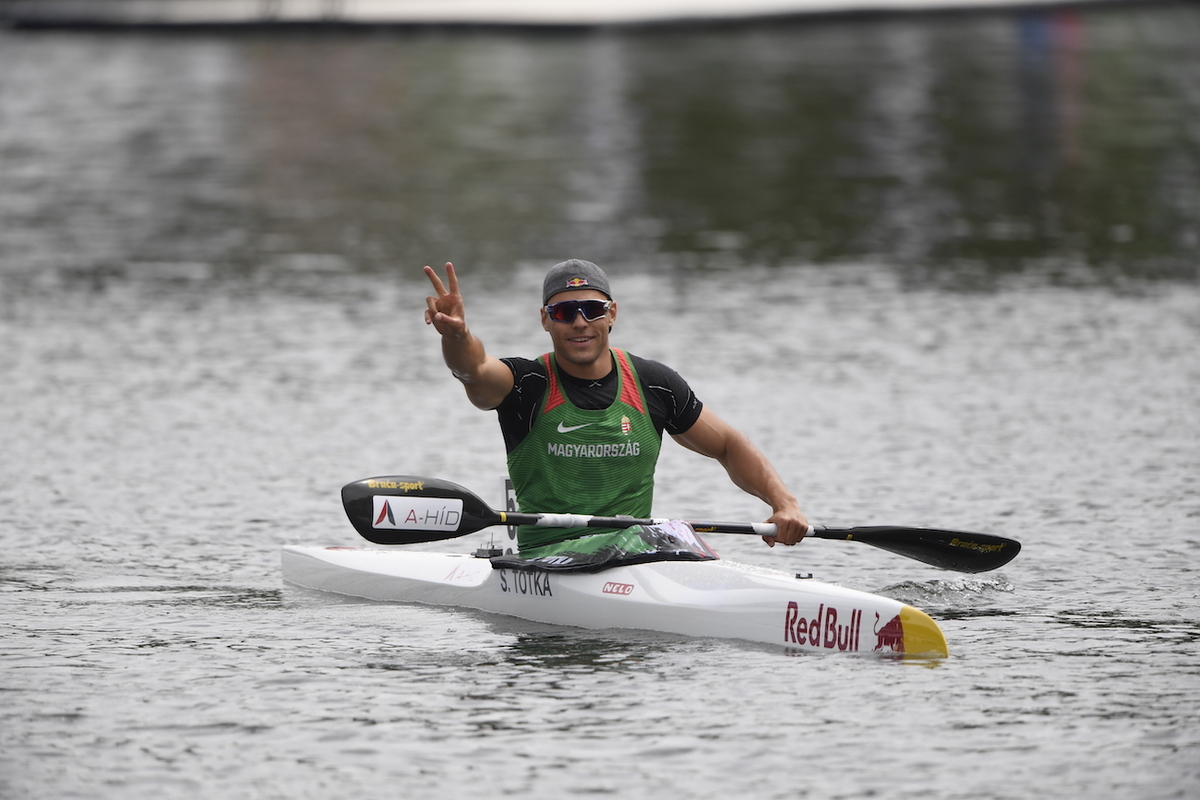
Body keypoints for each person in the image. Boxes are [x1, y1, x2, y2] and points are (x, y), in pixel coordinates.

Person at [423, 258, 809, 554]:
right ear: (545, 320)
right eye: (563, 312)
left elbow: (728, 444)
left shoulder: (654, 383)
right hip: (549, 558)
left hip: (635, 553)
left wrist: (785, 504)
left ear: (612, 315)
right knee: (671, 541)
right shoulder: (526, 384)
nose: (579, 322)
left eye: (591, 309)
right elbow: (472, 371)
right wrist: (458, 335)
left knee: (674, 542)